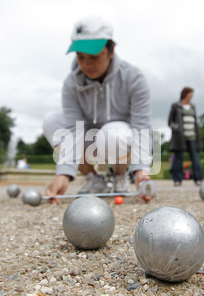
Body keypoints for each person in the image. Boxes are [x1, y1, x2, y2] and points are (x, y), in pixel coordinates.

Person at [42, 15, 153, 204]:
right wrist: (65, 174)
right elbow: (72, 130)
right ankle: (94, 180)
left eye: (94, 56)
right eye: (80, 57)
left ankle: (120, 176)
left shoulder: (134, 78)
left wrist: (140, 170)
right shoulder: (70, 84)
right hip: (90, 137)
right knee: (52, 121)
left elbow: (141, 127)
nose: (86, 64)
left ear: (111, 50)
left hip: (119, 138)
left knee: (112, 134)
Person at [168, 87, 203, 187]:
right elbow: (170, 122)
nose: (191, 96)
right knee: (178, 158)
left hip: (192, 135)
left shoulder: (193, 106)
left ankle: (198, 179)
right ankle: (177, 179)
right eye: (190, 93)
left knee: (195, 158)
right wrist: (177, 129)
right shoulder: (175, 106)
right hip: (180, 137)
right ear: (185, 94)